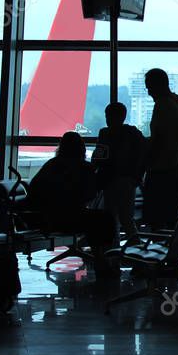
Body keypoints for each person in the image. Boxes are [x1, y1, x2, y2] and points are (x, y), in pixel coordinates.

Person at [30, 132, 116, 280]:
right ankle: (101, 258)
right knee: (103, 219)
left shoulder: (52, 164)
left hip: (49, 217)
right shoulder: (83, 168)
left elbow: (34, 190)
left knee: (96, 220)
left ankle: (100, 259)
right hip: (68, 218)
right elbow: (88, 195)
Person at [142, 68, 178, 231]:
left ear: (156, 85)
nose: (148, 92)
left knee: (156, 217)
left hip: (161, 169)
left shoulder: (162, 105)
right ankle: (170, 249)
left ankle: (156, 250)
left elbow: (158, 140)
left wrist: (145, 160)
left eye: (149, 87)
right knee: (173, 214)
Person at [93, 103, 147, 244]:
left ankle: (114, 247)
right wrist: (137, 177)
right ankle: (136, 246)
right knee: (126, 217)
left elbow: (98, 158)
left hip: (110, 180)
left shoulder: (105, 134)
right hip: (128, 180)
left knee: (111, 217)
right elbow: (144, 155)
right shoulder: (133, 134)